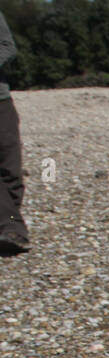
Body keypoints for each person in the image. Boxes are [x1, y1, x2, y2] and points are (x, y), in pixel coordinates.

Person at [0, 12, 28, 256]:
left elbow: (8, 46)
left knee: (11, 169)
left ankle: (10, 225)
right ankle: (11, 227)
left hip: (1, 101)